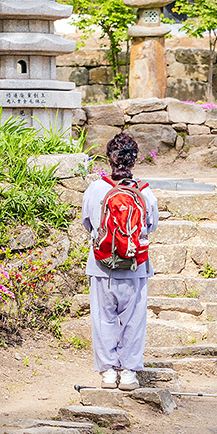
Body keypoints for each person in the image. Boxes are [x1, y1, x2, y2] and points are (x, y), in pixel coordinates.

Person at [81, 132, 158, 391]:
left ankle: (107, 372)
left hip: (101, 266)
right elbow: (151, 226)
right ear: (134, 161)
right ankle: (128, 374)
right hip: (135, 267)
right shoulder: (145, 193)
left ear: (109, 159)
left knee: (103, 319)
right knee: (134, 320)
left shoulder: (95, 189)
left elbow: (87, 223)